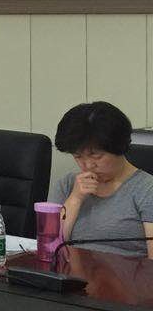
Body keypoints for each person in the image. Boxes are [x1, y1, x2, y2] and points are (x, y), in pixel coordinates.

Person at [52, 102, 153, 258]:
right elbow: (50, 246)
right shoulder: (67, 184)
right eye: (78, 156)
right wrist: (75, 199)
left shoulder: (146, 189)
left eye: (96, 156)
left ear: (119, 148)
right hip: (71, 271)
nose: (88, 165)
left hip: (126, 272)